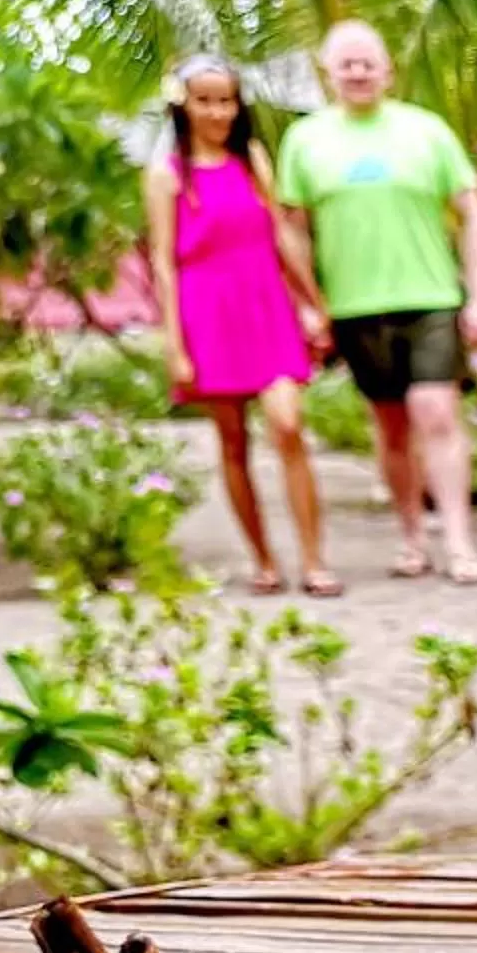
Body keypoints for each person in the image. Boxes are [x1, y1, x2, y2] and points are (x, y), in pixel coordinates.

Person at [277, 19, 477, 585]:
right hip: (354, 306)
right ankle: (410, 538)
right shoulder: (304, 141)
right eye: (345, 63)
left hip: (430, 297)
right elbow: (293, 228)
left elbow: (472, 211)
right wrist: (308, 303)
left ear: (387, 67)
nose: (357, 72)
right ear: (327, 74)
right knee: (391, 426)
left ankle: (458, 540)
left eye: (367, 61)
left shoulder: (426, 131)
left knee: (437, 412)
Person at [143, 55, 335, 595]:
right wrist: (175, 345)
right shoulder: (166, 176)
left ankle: (314, 560)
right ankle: (264, 561)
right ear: (184, 105)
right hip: (207, 314)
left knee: (288, 426)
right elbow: (162, 260)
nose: (217, 111)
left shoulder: (250, 158)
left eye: (226, 99)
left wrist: (313, 302)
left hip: (265, 306)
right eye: (205, 100)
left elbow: (280, 234)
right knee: (232, 443)